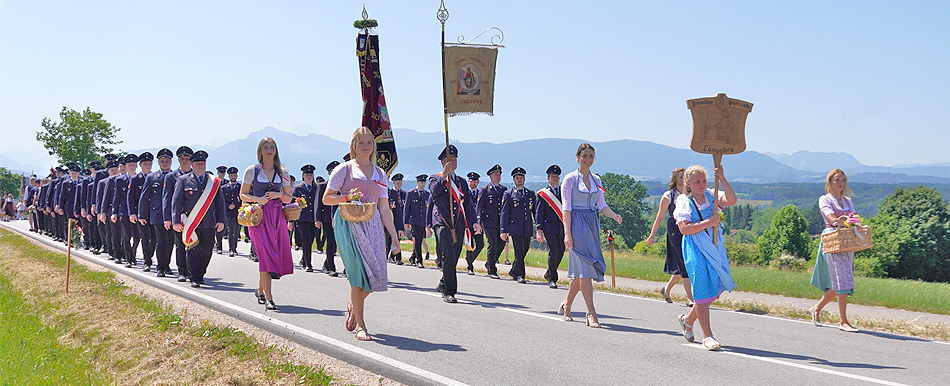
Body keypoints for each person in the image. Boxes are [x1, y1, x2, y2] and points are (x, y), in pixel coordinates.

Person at [322, 127, 400, 341]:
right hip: (348, 224)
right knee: (358, 276)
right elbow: (327, 199)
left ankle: (353, 306)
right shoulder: (344, 170)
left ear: (373, 146)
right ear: (354, 146)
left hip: (373, 225)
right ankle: (361, 327)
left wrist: (393, 234)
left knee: (376, 275)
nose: (366, 146)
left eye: (369, 143)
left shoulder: (380, 173)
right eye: (361, 143)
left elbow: (384, 208)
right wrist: (347, 197)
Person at [559, 143, 622, 328]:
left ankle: (567, 305)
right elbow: (566, 208)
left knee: (581, 273)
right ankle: (591, 313)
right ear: (577, 157)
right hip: (576, 225)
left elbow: (601, 205)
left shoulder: (597, 180)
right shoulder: (569, 179)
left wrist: (614, 215)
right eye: (584, 155)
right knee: (585, 271)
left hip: (592, 225)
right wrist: (567, 233)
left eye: (591, 156)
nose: (588, 159)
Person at [674, 164, 737, 351]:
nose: (701, 185)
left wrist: (723, 178)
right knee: (702, 289)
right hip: (695, 246)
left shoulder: (711, 195)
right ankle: (708, 336)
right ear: (688, 183)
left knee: (713, 288)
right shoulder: (685, 201)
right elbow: (684, 229)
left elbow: (732, 200)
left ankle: (688, 320)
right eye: (697, 182)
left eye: (703, 181)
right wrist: (708, 222)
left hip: (714, 245)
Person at [240, 137, 295, 310]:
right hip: (258, 217)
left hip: (277, 216)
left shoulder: (283, 172)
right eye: (265, 147)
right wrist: (258, 199)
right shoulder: (252, 171)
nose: (269, 150)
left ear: (276, 150)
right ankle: (270, 298)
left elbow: (288, 197)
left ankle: (260, 290)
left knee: (274, 254)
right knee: (264, 255)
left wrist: (279, 196)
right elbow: (243, 195)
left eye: (272, 147)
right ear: (260, 151)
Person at [810, 169, 860, 333]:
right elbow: (830, 217)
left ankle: (816, 309)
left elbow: (853, 216)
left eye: (843, 180)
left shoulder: (847, 200)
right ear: (830, 182)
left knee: (842, 280)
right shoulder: (825, 199)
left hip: (846, 240)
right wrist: (838, 221)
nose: (840, 183)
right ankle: (843, 321)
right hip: (832, 240)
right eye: (837, 180)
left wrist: (856, 223)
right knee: (842, 280)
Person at [429, 144, 480, 303]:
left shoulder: (461, 182)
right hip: (442, 222)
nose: (453, 162)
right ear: (443, 162)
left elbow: (468, 205)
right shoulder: (435, 178)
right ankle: (449, 291)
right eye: (450, 159)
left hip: (457, 223)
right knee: (448, 255)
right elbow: (434, 192)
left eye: (455, 159)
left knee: (455, 256)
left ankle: (444, 282)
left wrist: (474, 223)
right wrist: (444, 175)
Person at [171, 150, 226, 289]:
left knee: (207, 250)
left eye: (203, 163)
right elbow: (176, 202)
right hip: (191, 223)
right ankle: (195, 277)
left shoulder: (213, 182)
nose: (201, 166)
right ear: (192, 164)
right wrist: (175, 221)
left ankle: (201, 273)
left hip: (209, 222)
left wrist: (221, 221)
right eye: (198, 163)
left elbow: (219, 203)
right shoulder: (183, 180)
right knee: (192, 250)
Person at [647, 168, 694, 306]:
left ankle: (666, 289)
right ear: (674, 179)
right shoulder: (669, 195)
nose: (683, 180)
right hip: (675, 229)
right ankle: (690, 298)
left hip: (689, 227)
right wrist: (652, 235)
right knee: (684, 263)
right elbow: (660, 216)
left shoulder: (690, 194)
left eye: (685, 177)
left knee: (685, 263)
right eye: (681, 177)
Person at [138, 148, 175, 276]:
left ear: (171, 162)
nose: (165, 163)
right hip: (157, 214)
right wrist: (141, 215)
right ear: (159, 163)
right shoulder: (151, 177)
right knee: (160, 241)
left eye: (167, 161)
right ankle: (160, 267)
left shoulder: (176, 177)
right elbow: (144, 197)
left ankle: (167, 264)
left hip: (172, 214)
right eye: (162, 161)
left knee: (170, 241)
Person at [163, 146, 194, 281]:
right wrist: (168, 218)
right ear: (178, 160)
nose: (185, 161)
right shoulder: (171, 177)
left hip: (195, 216)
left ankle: (194, 272)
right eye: (182, 159)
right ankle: (182, 271)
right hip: (179, 216)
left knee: (195, 245)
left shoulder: (198, 175)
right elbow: (167, 198)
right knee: (180, 245)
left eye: (187, 159)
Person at [501, 167, 535, 283]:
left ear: (524, 179)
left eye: (521, 178)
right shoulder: (509, 194)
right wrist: (503, 230)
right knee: (519, 252)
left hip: (527, 227)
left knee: (524, 250)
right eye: (517, 178)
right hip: (515, 227)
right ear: (514, 180)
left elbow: (535, 211)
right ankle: (520, 275)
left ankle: (514, 270)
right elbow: (505, 213)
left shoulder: (530, 194)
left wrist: (539, 227)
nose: (519, 180)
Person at [536, 165, 565, 289]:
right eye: (553, 177)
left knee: (561, 251)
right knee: (554, 251)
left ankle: (549, 272)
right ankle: (552, 278)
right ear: (548, 178)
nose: (555, 179)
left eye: (557, 177)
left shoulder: (564, 192)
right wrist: (539, 230)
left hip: (561, 227)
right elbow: (539, 212)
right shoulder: (543, 194)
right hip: (549, 227)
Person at [476, 164, 507, 278]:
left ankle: (489, 262)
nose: (498, 177)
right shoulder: (484, 190)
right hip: (488, 222)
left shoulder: (503, 190)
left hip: (500, 222)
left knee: (501, 244)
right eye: (495, 175)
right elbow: (479, 207)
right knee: (492, 244)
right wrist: (478, 221)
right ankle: (492, 270)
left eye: (499, 175)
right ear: (490, 176)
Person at [129, 152, 156, 271]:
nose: (148, 166)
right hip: (141, 214)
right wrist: (132, 213)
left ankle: (150, 256)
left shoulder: (156, 177)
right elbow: (130, 197)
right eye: (145, 164)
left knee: (155, 238)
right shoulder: (135, 179)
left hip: (155, 213)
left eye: (149, 163)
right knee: (145, 237)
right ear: (140, 165)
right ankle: (147, 261)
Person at [315, 161, 341, 276]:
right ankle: (331, 267)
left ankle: (326, 263)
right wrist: (317, 219)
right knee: (330, 242)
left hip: (340, 218)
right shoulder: (322, 186)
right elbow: (318, 204)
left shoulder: (343, 185)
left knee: (337, 243)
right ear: (329, 173)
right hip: (326, 218)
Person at [293, 164, 320, 272]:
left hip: (313, 219)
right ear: (303, 176)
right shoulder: (298, 189)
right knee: (306, 240)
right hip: (302, 219)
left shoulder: (316, 188)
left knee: (311, 240)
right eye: (307, 174)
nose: (309, 176)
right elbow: (292, 204)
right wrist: (291, 221)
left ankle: (304, 259)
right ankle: (308, 264)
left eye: (311, 174)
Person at [403, 174, 430, 267]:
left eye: (424, 182)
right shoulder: (410, 193)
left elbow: (428, 209)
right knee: (418, 240)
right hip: (414, 220)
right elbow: (406, 209)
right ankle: (419, 261)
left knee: (420, 239)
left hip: (423, 221)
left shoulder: (427, 194)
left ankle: (413, 257)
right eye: (421, 182)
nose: (423, 184)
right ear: (417, 182)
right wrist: (406, 222)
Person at [464, 172, 484, 275]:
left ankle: (469, 259)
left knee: (480, 244)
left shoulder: (481, 192)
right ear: (468, 182)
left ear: (478, 182)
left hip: (479, 223)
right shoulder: (465, 193)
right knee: (469, 245)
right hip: (468, 223)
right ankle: (470, 267)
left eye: (475, 181)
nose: (473, 183)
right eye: (471, 181)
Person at [386, 173, 406, 265]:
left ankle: (397, 257)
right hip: (391, 218)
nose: (399, 185)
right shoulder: (390, 193)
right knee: (389, 239)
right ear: (393, 183)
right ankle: (387, 256)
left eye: (400, 183)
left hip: (400, 218)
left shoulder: (403, 194)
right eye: (398, 183)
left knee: (399, 237)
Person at [222, 166, 242, 257]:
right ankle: (231, 249)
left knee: (237, 230)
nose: (233, 177)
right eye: (231, 175)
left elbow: (242, 199)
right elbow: (221, 200)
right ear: (229, 176)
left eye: (234, 175)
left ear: (237, 176)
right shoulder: (224, 188)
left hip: (238, 212)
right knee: (230, 230)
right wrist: (228, 206)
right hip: (228, 212)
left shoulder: (240, 187)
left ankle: (235, 248)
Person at [214, 165, 229, 254]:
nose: (222, 174)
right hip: (215, 208)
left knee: (222, 228)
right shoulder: (214, 182)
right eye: (220, 173)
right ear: (217, 173)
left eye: (223, 173)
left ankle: (219, 245)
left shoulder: (226, 183)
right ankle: (216, 245)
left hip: (225, 208)